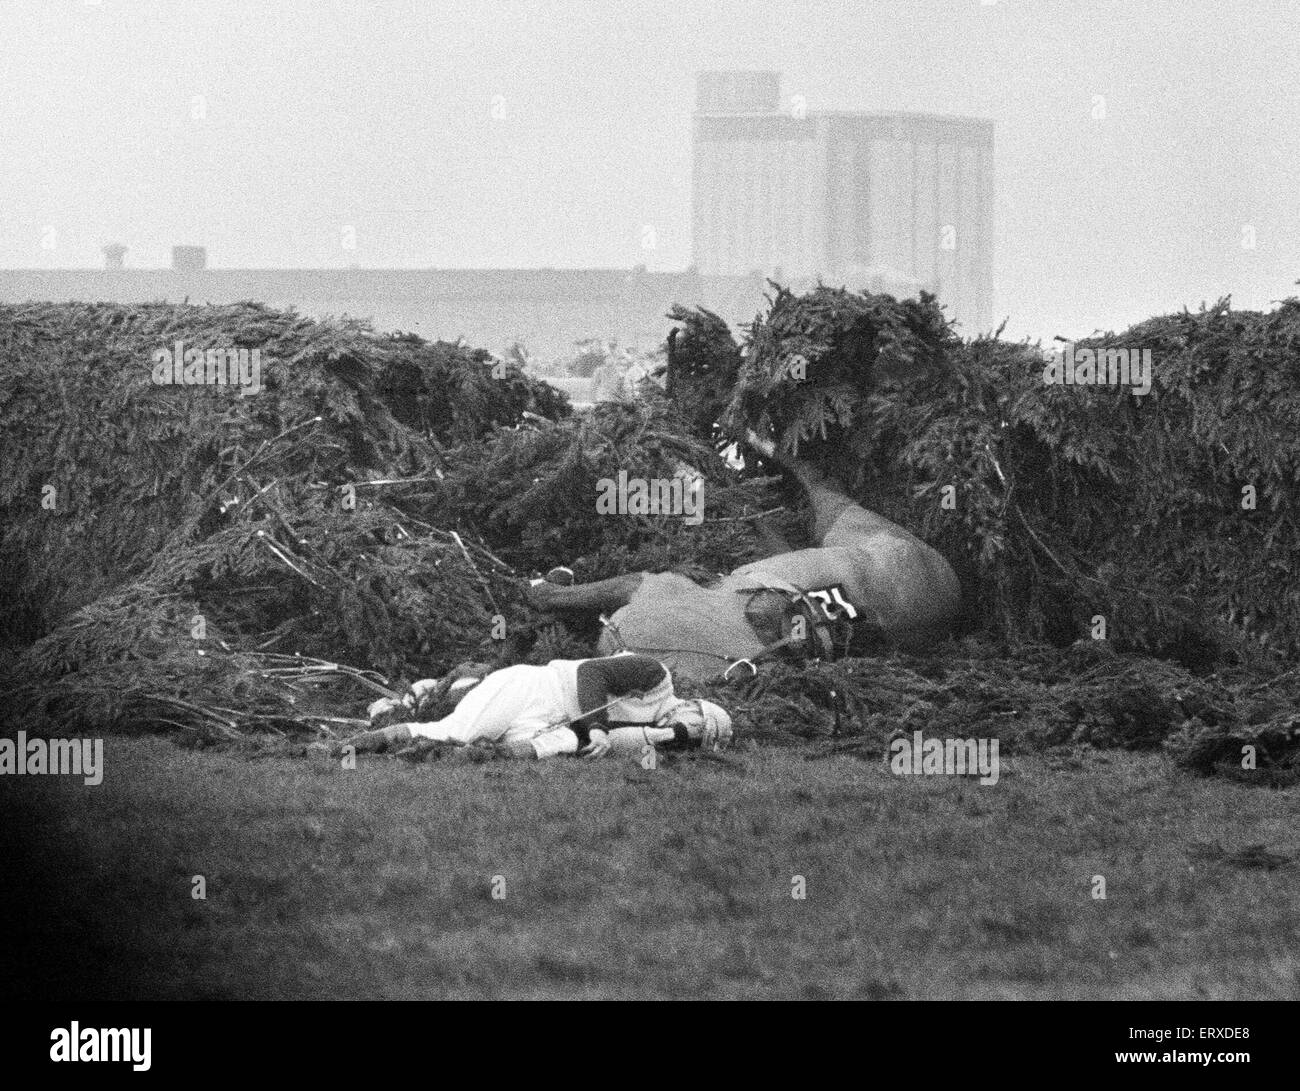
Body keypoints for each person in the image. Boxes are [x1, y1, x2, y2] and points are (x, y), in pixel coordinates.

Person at [339, 653, 732, 760]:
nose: (692, 728)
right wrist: (596, 727)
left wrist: (669, 736)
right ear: (695, 704)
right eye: (699, 721)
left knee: (551, 747)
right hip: (533, 687)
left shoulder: (652, 724)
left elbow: (618, 741)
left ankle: (452, 760)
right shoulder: (654, 676)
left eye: (698, 736)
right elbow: (591, 674)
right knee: (454, 732)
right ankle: (346, 748)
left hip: (550, 719)